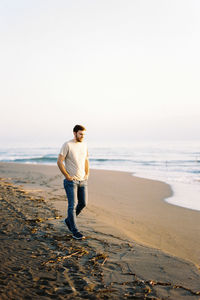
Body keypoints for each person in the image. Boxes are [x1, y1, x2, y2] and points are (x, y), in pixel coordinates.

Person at [57, 125, 89, 240]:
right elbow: (59, 161)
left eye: (84, 134)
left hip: (83, 180)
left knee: (83, 203)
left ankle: (68, 220)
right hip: (71, 182)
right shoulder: (67, 145)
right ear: (74, 133)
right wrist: (67, 176)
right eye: (80, 134)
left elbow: (86, 160)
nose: (82, 136)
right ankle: (75, 231)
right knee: (72, 205)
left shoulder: (84, 145)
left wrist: (87, 173)